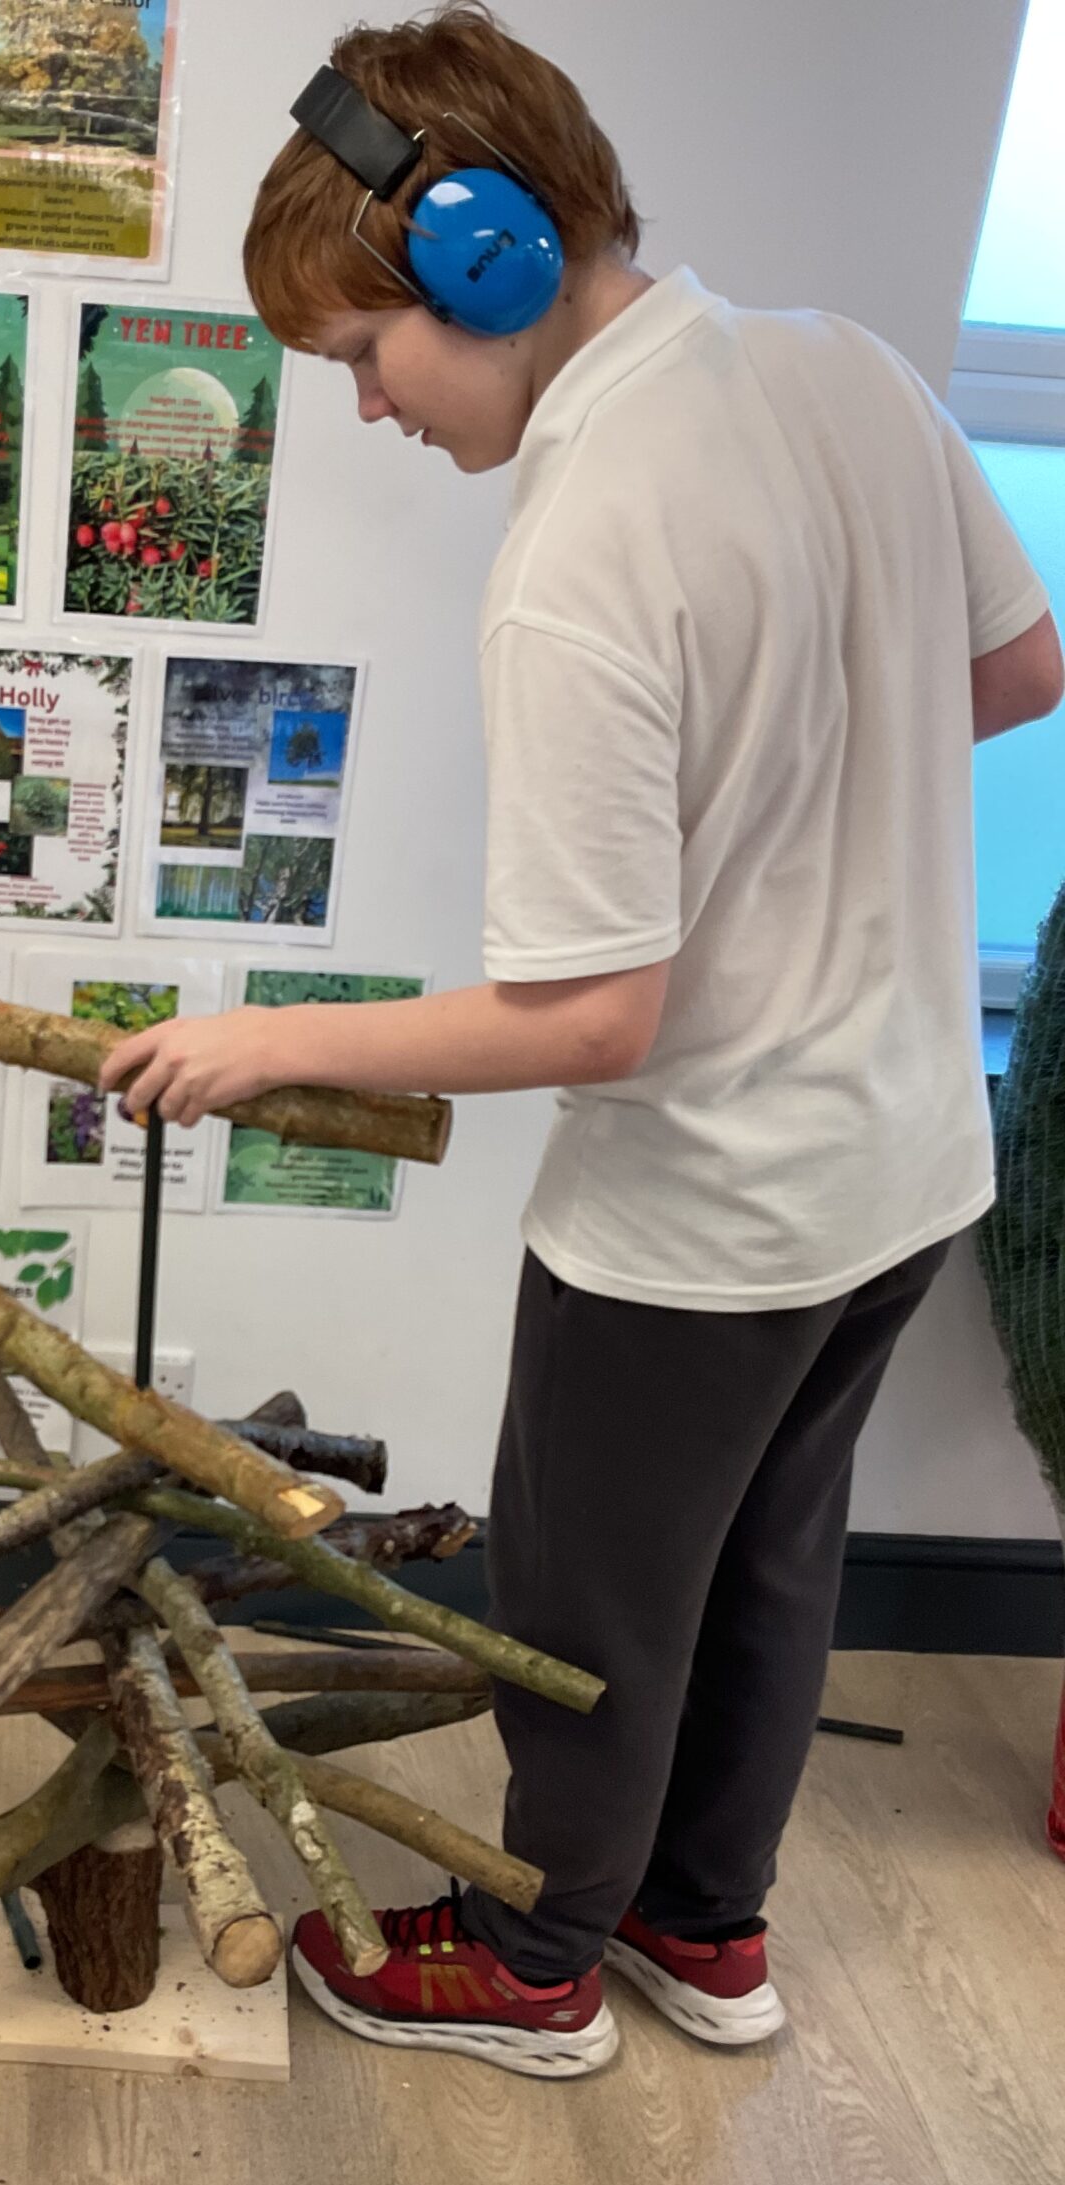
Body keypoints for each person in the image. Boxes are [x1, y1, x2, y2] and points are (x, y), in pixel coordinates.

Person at [98, 4, 1063, 2079]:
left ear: (484, 261)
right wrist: (808, 788)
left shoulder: (579, 548)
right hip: (905, 1159)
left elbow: (597, 1016)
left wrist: (268, 1040)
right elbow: (1020, 661)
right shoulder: (847, 370)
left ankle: (537, 1968)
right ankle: (708, 1934)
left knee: (589, 1611)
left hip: (706, 1214)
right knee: (771, 1571)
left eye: (363, 355)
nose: (365, 409)